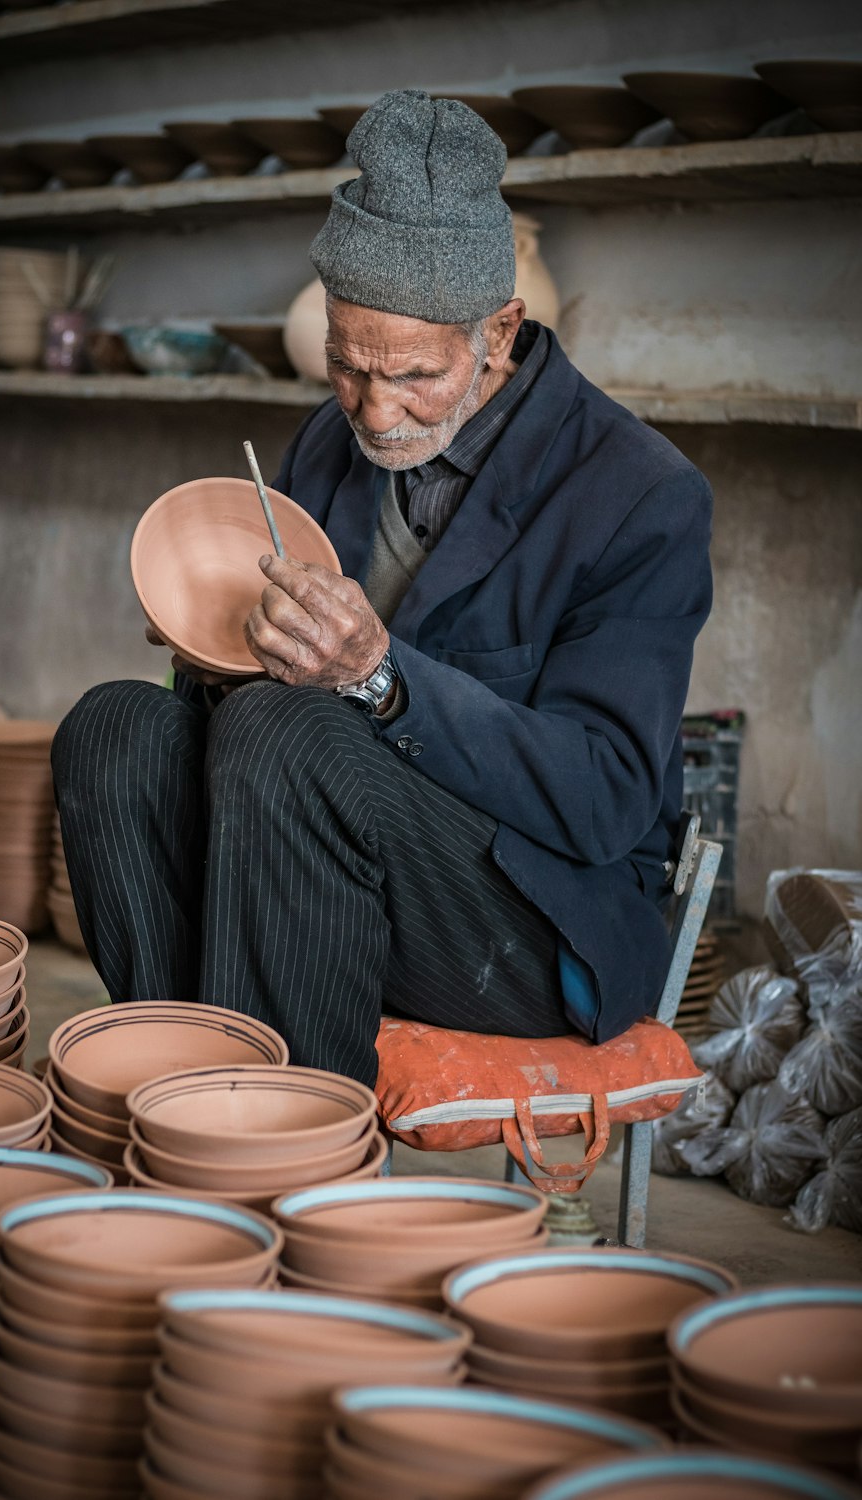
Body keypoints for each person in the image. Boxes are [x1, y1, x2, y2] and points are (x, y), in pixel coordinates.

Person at [52, 89, 712, 1091]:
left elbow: (605, 800)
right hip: (315, 853)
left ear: (497, 334)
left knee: (294, 732)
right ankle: (186, 1090)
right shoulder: (330, 441)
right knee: (113, 729)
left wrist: (377, 679)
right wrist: (223, 645)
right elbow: (256, 707)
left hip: (527, 915)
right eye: (346, 367)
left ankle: (288, 1149)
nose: (374, 410)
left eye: (412, 375)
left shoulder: (637, 495)